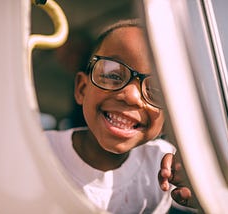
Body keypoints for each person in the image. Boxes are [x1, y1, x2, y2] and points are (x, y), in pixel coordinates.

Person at [45, 19, 195, 213]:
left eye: (157, 90)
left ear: (169, 118)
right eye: (113, 75)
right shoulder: (37, 149)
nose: (132, 97)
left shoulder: (164, 168)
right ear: (82, 89)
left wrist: (200, 186)